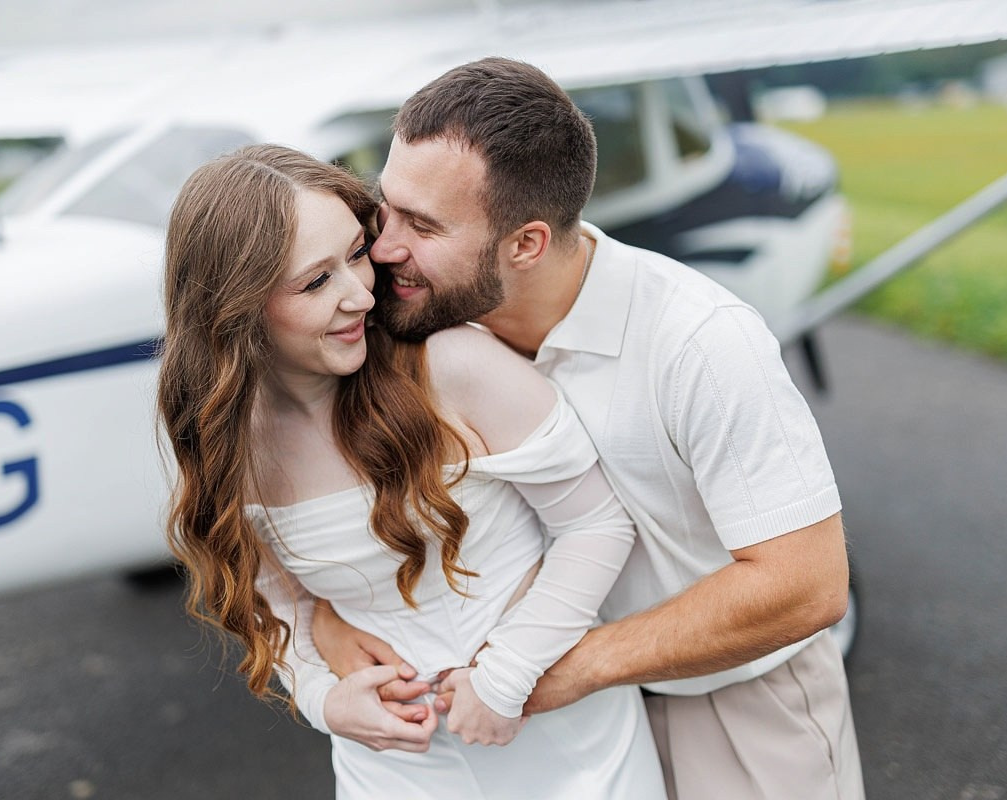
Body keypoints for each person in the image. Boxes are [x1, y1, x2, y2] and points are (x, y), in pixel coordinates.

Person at [310, 57, 866, 800]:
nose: (382, 248)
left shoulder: (701, 341)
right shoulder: (409, 323)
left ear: (527, 244)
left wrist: (569, 668)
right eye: (388, 206)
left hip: (728, 706)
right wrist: (325, 624)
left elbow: (808, 585)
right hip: (551, 736)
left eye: (423, 224)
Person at [156, 144, 666, 798]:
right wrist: (324, 701)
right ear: (235, 308)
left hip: (570, 751)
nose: (360, 294)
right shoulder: (230, 438)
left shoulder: (453, 367)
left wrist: (504, 678)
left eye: (356, 253)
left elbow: (597, 524)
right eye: (316, 282)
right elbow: (278, 600)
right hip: (394, 773)